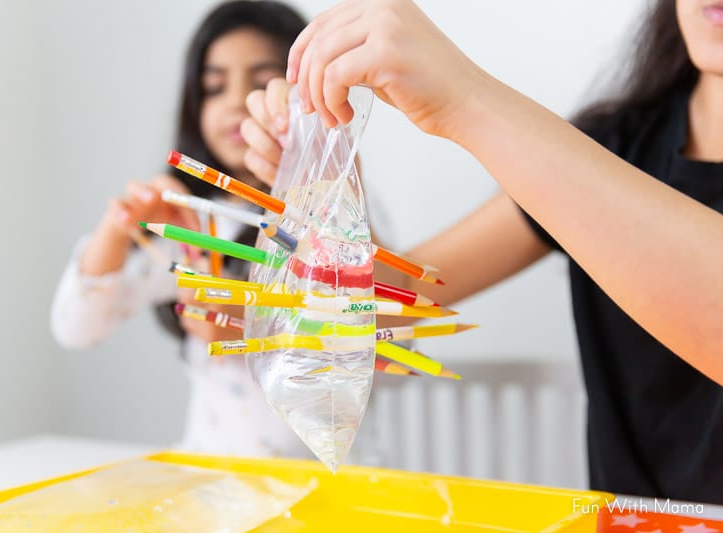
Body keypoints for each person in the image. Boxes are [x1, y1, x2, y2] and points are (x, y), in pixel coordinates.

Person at [241, 0, 723, 501]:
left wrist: (463, 98)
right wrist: (328, 185)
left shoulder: (577, 162)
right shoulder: (613, 147)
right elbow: (396, 297)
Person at [51, 1, 311, 458]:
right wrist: (118, 227)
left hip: (323, 489)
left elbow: (371, 331)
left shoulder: (331, 214)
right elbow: (76, 328)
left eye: (261, 82)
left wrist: (255, 328)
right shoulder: (192, 223)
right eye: (214, 87)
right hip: (213, 486)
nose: (235, 101)